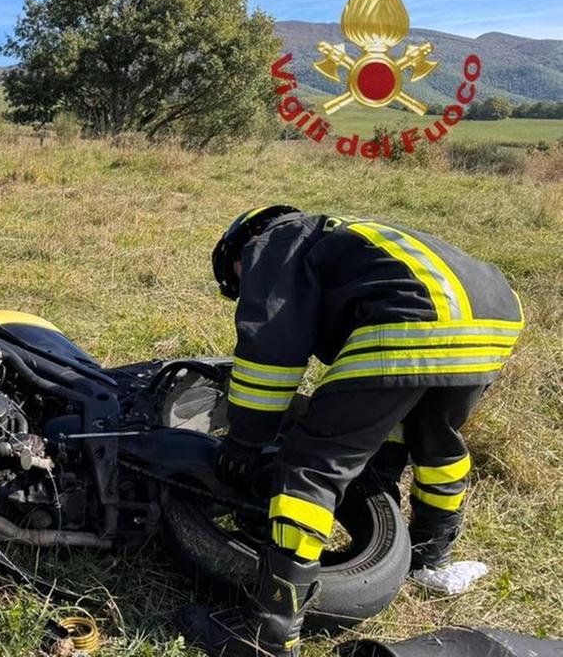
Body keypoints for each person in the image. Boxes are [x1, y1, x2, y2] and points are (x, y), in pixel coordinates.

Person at [179, 207, 524, 656]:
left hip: (412, 317)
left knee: (311, 466)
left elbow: (271, 348)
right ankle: (429, 557)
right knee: (434, 439)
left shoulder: (274, 238)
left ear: (240, 242)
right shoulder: (355, 236)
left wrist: (246, 440)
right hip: (493, 319)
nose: (243, 290)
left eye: (237, 280)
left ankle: (266, 635)